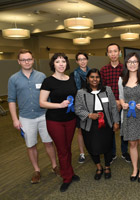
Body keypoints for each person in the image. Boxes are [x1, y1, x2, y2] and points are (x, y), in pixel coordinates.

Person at [8, 49, 60, 184]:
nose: (27, 62)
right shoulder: (13, 79)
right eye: (24, 59)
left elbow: (47, 96)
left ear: (33, 60)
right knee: (31, 145)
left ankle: (55, 166)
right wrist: (15, 119)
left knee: (48, 142)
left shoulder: (41, 76)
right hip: (25, 118)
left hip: (43, 115)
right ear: (19, 61)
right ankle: (36, 170)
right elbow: (11, 100)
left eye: (29, 59)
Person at [39, 53, 79, 192]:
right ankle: (66, 177)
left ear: (67, 64)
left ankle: (70, 172)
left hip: (70, 119)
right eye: (58, 62)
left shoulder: (71, 79)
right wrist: (59, 105)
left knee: (68, 148)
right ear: (53, 64)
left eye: (63, 61)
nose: (61, 64)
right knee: (62, 150)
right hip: (55, 120)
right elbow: (42, 103)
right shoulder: (48, 81)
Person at [75, 68, 120, 181]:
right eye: (92, 77)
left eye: (97, 77)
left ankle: (107, 167)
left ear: (100, 79)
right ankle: (99, 167)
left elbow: (113, 107)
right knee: (92, 147)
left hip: (106, 122)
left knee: (107, 146)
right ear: (87, 79)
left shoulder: (107, 90)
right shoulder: (81, 92)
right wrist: (89, 115)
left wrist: (116, 121)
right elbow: (78, 109)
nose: (95, 79)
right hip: (90, 124)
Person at [118, 52, 140, 182]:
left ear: (139, 64)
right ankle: (134, 168)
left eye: (135, 62)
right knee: (132, 143)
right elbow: (121, 97)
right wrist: (123, 104)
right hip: (128, 116)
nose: (132, 64)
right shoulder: (121, 79)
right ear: (126, 64)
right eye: (129, 62)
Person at [100, 43, 131, 163]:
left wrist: (120, 102)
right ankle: (112, 153)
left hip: (124, 104)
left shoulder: (125, 69)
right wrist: (114, 103)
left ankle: (124, 152)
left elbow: (128, 87)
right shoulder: (103, 70)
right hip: (108, 105)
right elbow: (102, 89)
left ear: (119, 53)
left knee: (124, 129)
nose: (113, 54)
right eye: (110, 52)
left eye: (115, 51)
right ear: (107, 54)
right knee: (110, 130)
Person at [70, 52, 90, 164]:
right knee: (81, 130)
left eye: (84, 59)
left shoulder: (92, 73)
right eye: (79, 59)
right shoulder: (73, 75)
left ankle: (92, 150)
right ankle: (82, 153)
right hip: (80, 106)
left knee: (92, 129)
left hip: (91, 105)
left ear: (87, 60)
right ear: (77, 61)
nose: (82, 61)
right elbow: (73, 91)